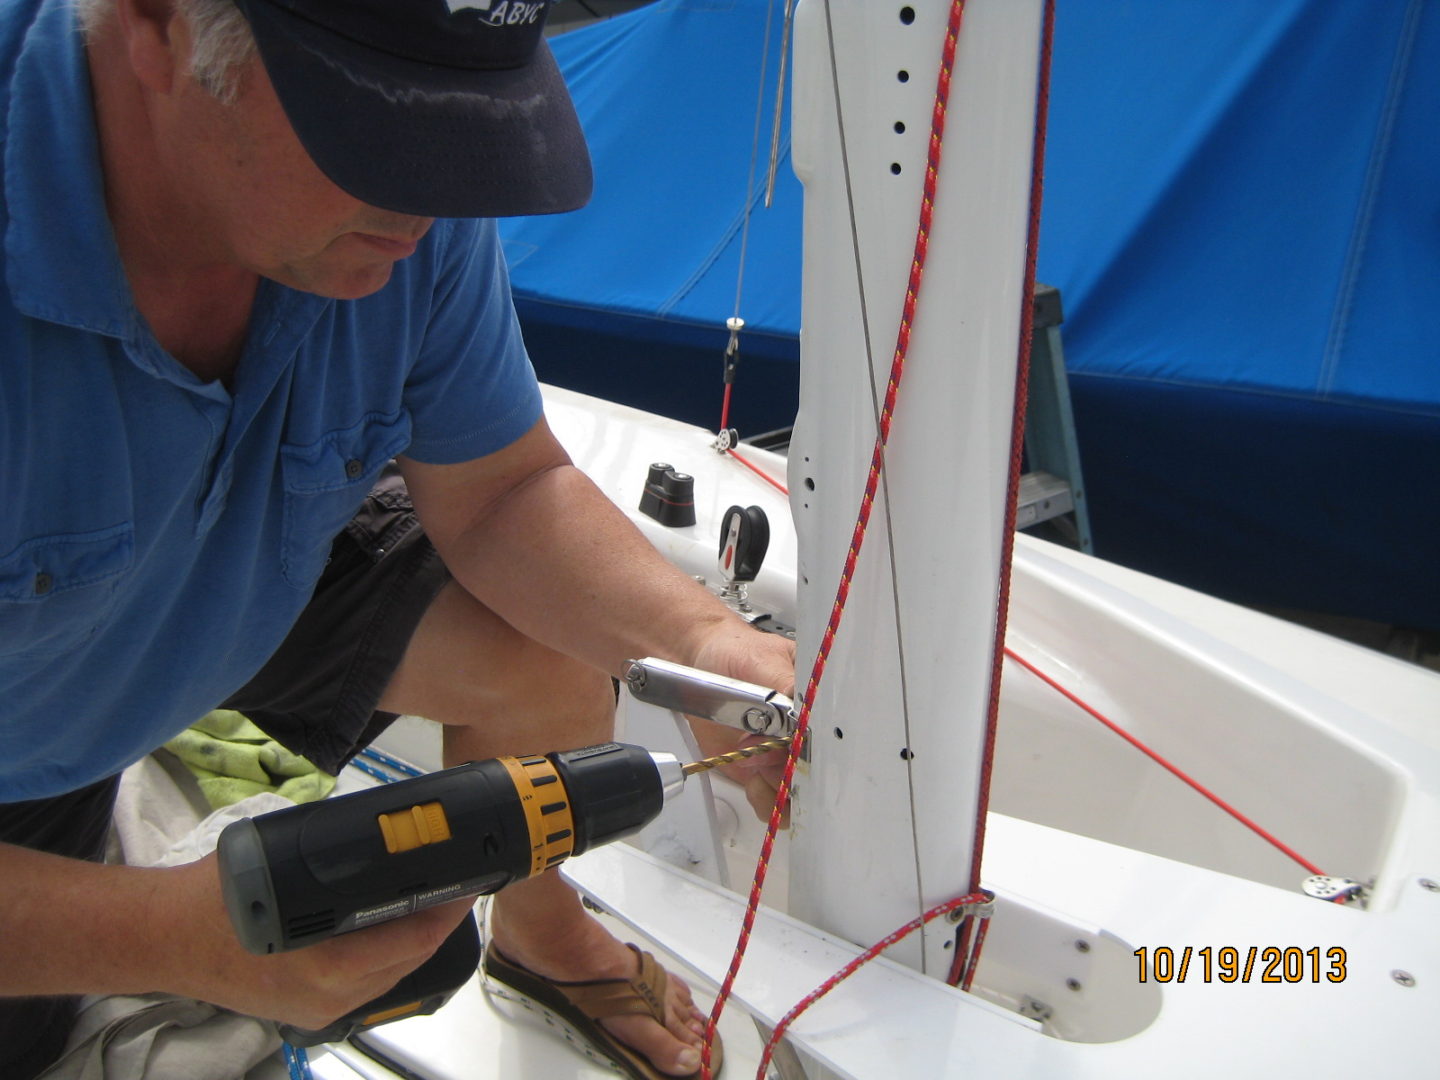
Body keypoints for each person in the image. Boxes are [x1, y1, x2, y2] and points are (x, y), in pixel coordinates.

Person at [0, 0, 795, 1077]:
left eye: (471, 126)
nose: (440, 199)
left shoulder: (401, 215)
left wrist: (703, 649)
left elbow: (504, 496)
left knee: (545, 650)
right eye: (376, 130)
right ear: (158, 25)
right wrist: (176, 939)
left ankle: (542, 938)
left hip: (210, 566)